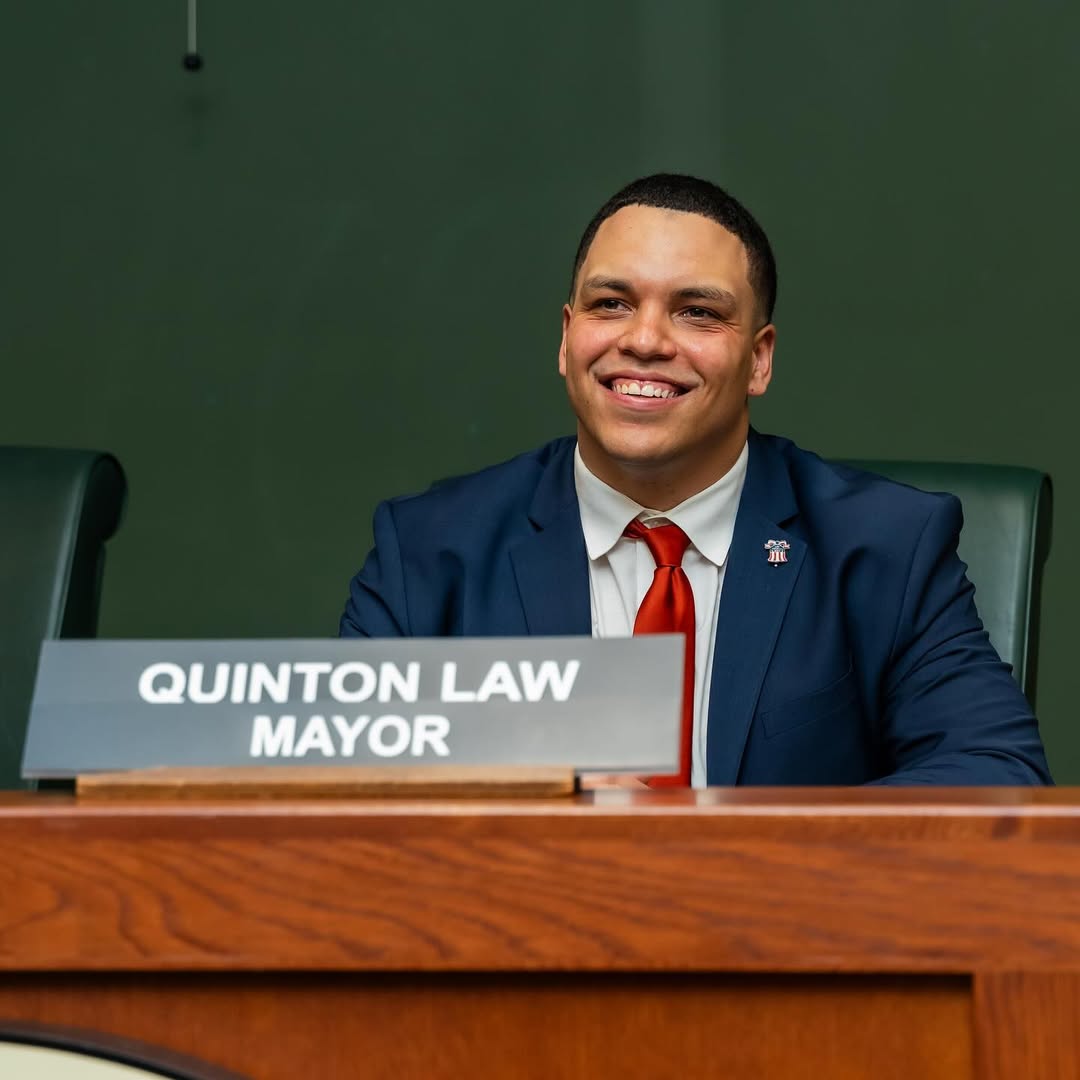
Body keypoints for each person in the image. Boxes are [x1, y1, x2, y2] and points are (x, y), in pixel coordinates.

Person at [340, 174, 1051, 786]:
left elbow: (994, 771)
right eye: (611, 303)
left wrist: (739, 863)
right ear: (566, 337)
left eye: (698, 312)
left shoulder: (887, 549)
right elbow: (336, 789)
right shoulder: (431, 553)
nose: (645, 340)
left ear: (760, 358)